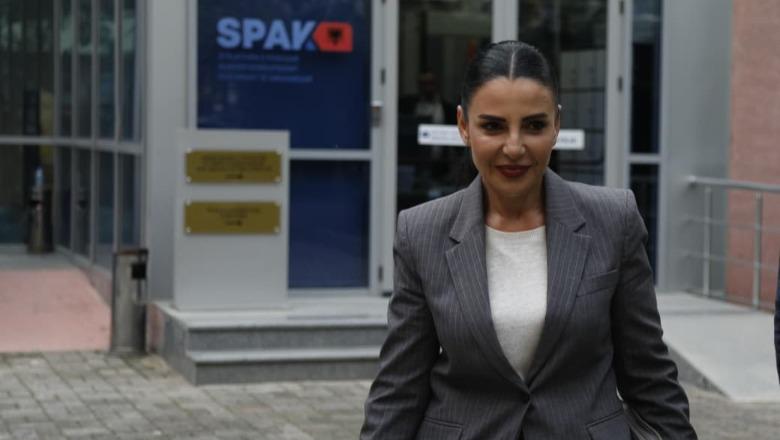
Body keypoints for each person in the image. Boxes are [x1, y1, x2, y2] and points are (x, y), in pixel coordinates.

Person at [360, 41, 696, 439]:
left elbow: (650, 377)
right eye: (493, 126)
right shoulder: (421, 231)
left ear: (556, 125)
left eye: (534, 126)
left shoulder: (613, 220)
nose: (514, 147)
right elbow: (400, 387)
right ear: (464, 126)